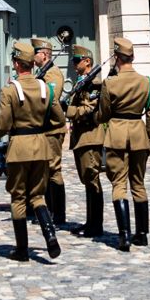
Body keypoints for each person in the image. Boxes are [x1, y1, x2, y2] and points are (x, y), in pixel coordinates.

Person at [0, 39, 65, 261]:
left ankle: (22, 249)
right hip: (41, 146)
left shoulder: (10, 90)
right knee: (38, 195)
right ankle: (50, 237)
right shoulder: (45, 88)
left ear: (16, 63)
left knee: (18, 197)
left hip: (19, 148)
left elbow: (2, 123)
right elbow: (59, 118)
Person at [96, 35, 150, 249]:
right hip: (139, 136)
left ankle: (124, 235)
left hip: (117, 134)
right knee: (138, 184)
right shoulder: (146, 82)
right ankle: (142, 233)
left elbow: (103, 114)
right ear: (132, 56)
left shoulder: (110, 83)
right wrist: (149, 141)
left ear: (116, 58)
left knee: (119, 184)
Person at [64, 42, 107, 238]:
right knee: (86, 181)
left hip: (90, 137)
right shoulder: (81, 81)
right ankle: (90, 222)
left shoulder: (95, 84)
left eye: (76, 60)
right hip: (81, 137)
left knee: (92, 180)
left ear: (87, 62)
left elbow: (89, 110)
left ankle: (95, 225)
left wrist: (69, 111)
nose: (74, 64)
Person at [36, 31, 71, 226]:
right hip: (43, 129)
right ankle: (48, 209)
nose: (33, 56)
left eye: (36, 52)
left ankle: (58, 213)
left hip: (52, 128)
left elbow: (51, 99)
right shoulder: (40, 73)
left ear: (45, 54)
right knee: (46, 170)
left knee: (54, 169)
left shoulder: (53, 73)